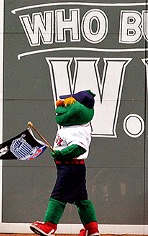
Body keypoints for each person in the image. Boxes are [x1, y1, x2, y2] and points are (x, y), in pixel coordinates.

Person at [30, 90, 100, 236]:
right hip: (73, 168)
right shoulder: (71, 128)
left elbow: (78, 148)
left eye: (68, 105)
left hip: (70, 167)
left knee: (58, 195)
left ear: (80, 110)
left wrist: (61, 153)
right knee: (82, 200)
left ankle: (49, 226)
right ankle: (92, 229)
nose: (62, 108)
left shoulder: (79, 129)